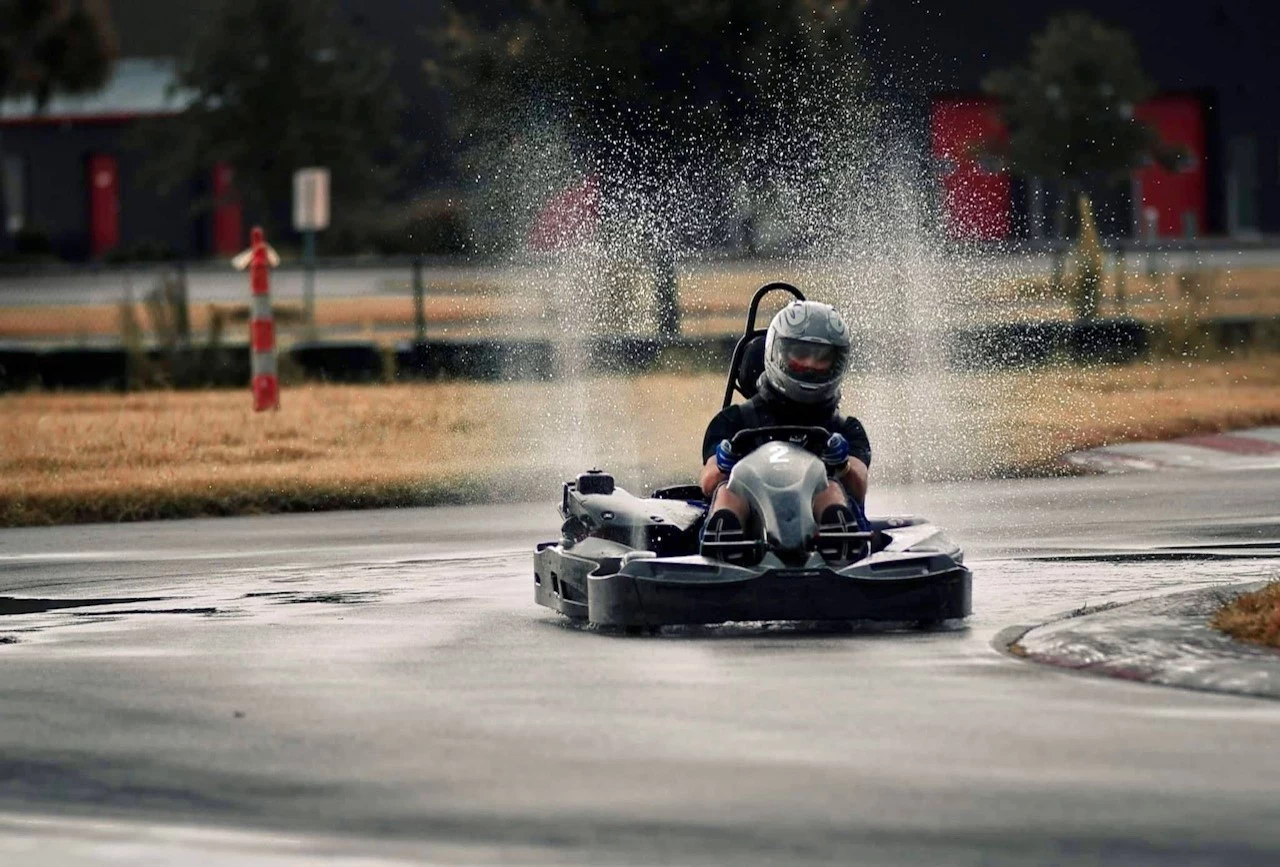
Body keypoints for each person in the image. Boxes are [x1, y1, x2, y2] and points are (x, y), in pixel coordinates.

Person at [698, 299, 871, 558]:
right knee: (728, 491)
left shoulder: (846, 428)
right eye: (801, 354)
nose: (811, 365)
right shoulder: (734, 421)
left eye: (822, 357)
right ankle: (724, 543)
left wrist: (843, 465)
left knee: (831, 487)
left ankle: (839, 542)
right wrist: (724, 464)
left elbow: (858, 487)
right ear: (777, 352)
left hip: (818, 546)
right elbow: (708, 481)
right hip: (752, 538)